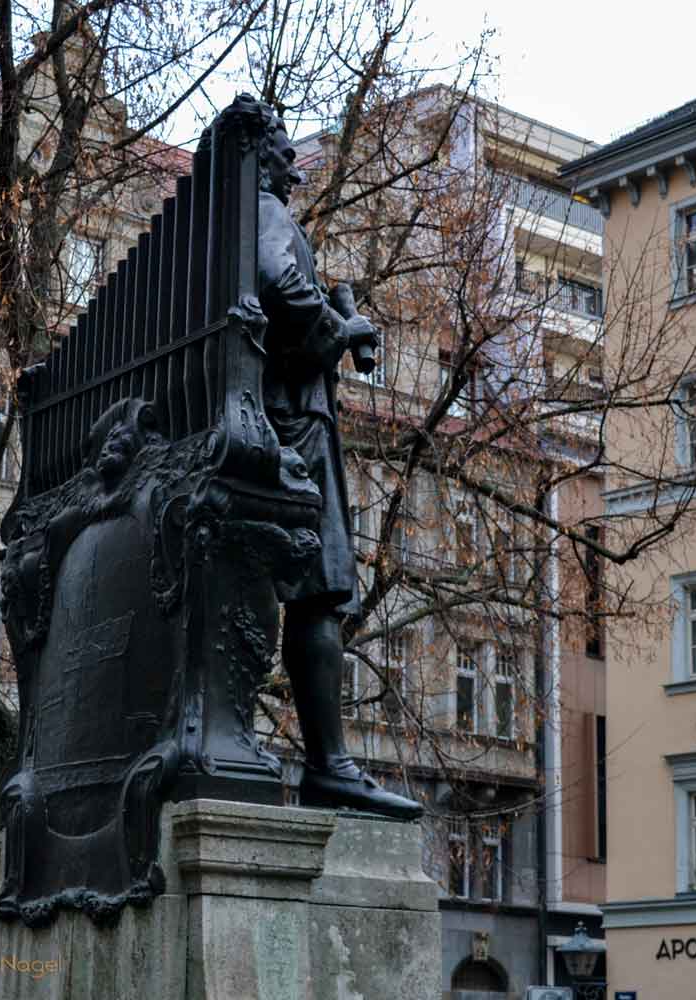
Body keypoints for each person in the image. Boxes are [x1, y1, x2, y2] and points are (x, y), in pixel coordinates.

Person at [252, 99, 423, 821]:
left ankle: (326, 763)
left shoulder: (223, 218)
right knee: (322, 588)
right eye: (284, 151)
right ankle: (330, 766)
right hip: (295, 421)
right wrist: (344, 323)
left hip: (268, 414)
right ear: (258, 155)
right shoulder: (265, 213)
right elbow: (281, 289)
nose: (295, 165)